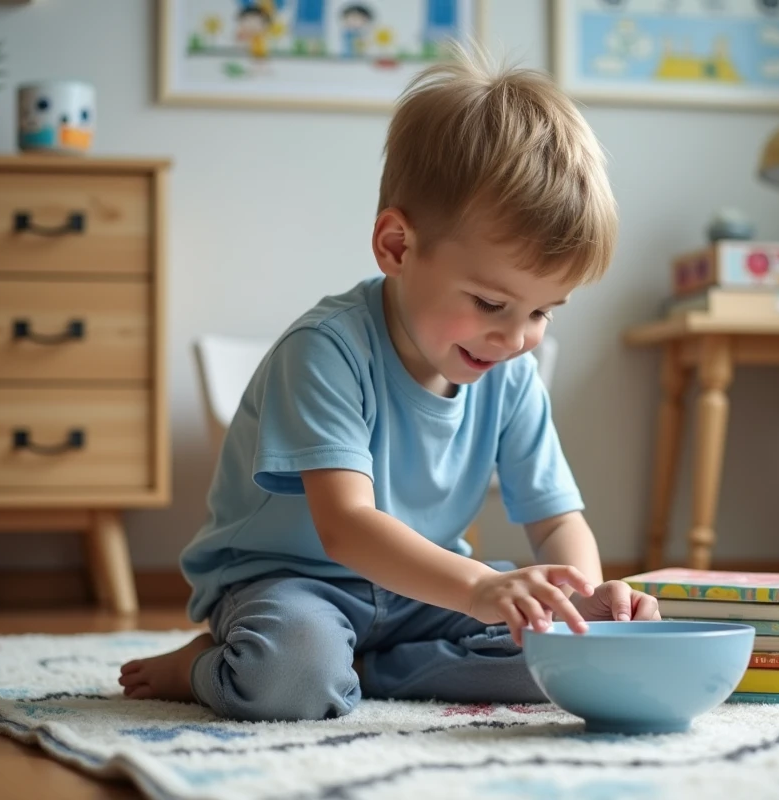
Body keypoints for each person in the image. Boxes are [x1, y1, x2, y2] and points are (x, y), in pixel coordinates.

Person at [118, 45, 659, 722]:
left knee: (573, 659)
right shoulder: (325, 350)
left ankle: (364, 670)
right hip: (297, 584)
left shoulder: (510, 373)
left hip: (424, 594)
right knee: (291, 678)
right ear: (398, 247)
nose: (517, 338)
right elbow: (346, 527)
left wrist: (579, 598)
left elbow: (556, 520)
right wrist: (482, 589)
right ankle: (206, 665)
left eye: (543, 311)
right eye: (493, 304)